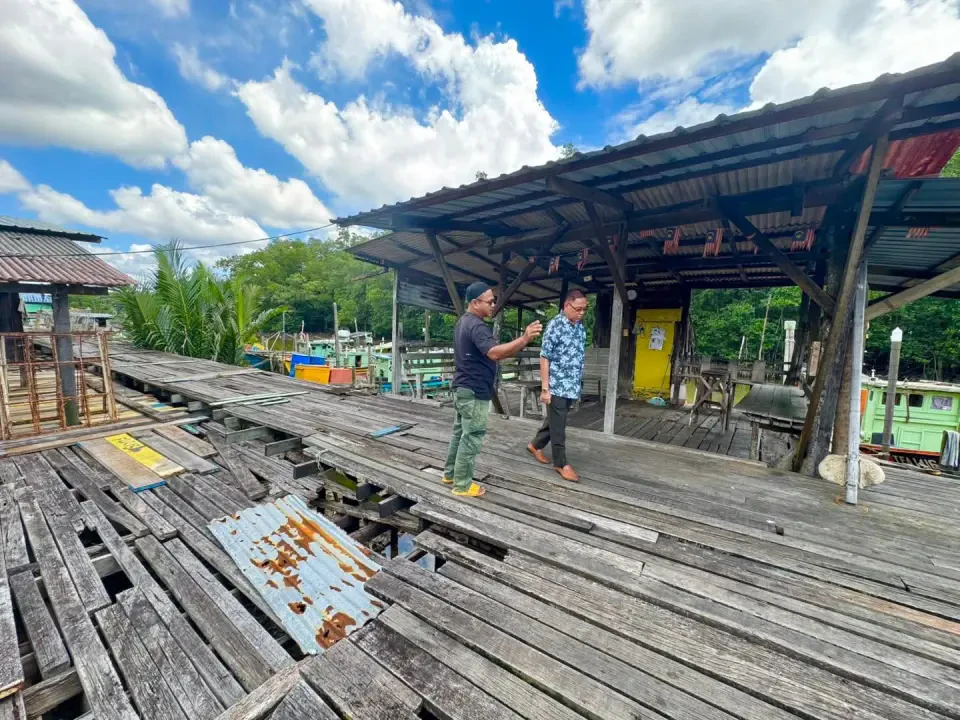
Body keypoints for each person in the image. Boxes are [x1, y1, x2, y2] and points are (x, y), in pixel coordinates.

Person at [442, 282, 542, 497]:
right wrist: (524, 339)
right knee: (472, 436)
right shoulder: (477, 326)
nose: (493, 305)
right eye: (489, 301)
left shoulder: (462, 322)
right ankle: (462, 485)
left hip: (462, 388)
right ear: (474, 302)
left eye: (494, 301)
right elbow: (495, 353)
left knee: (460, 434)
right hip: (474, 390)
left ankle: (450, 474)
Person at [528, 290, 588, 481]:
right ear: (566, 306)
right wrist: (545, 389)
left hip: (572, 385)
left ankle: (535, 445)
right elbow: (545, 357)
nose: (581, 313)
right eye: (578, 309)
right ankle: (561, 463)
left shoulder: (580, 328)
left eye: (584, 309)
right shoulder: (555, 326)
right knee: (559, 427)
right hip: (556, 385)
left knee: (556, 420)